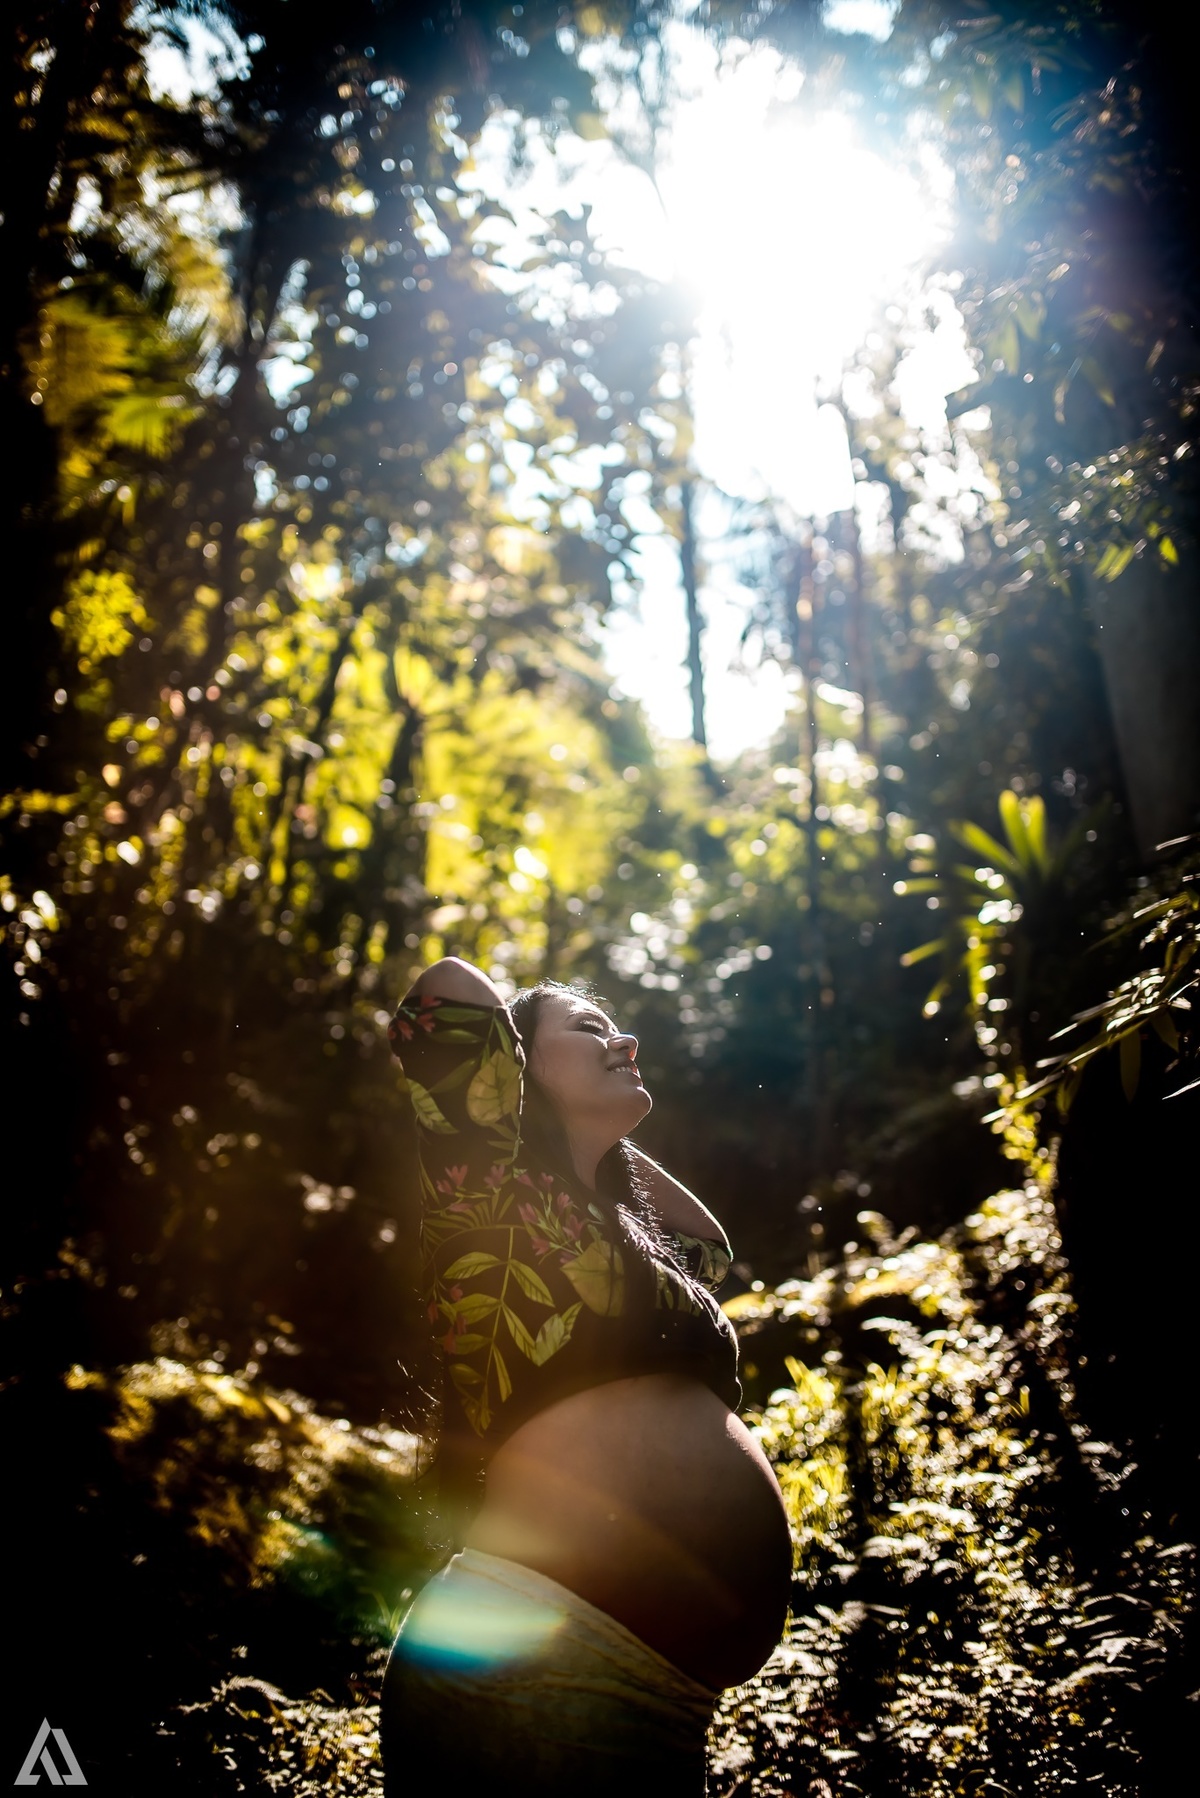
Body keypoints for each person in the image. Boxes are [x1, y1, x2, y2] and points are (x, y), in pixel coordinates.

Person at [380, 955, 792, 1794]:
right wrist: (527, 1095)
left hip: (644, 1693)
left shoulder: (613, 1228)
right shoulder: (486, 1187)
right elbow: (445, 993)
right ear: (513, 1066)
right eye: (591, 1027)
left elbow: (710, 1247)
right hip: (541, 1664)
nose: (627, 1039)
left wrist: (600, 1138)